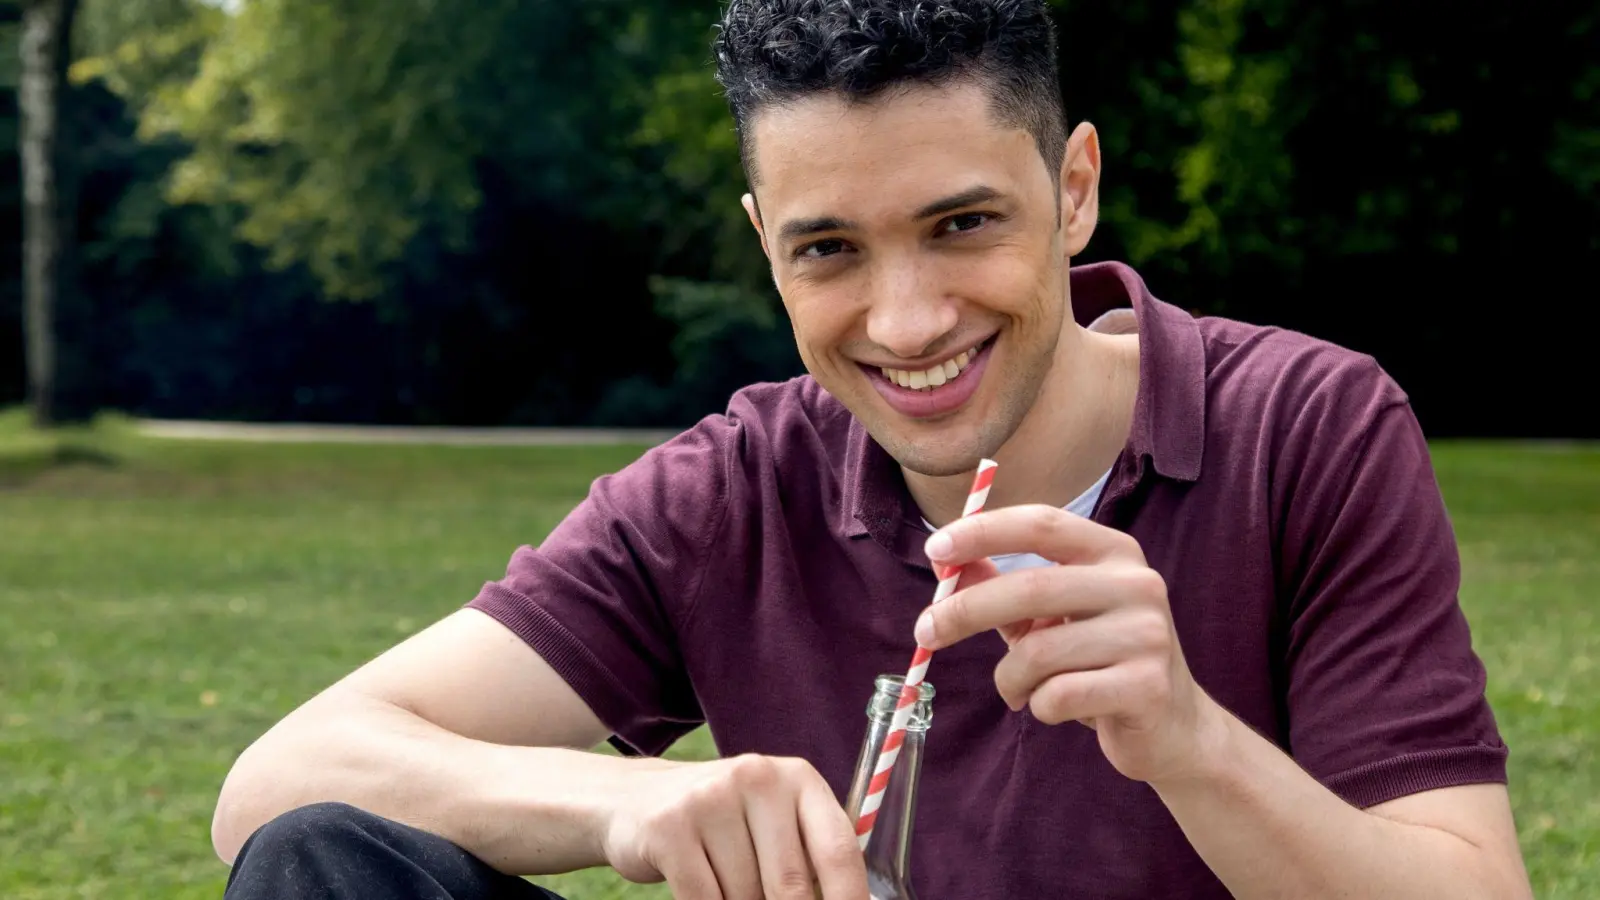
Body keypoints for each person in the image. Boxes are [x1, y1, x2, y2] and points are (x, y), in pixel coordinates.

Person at [211, 1, 1535, 898]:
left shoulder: (1306, 429)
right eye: (829, 248)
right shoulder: (734, 488)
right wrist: (620, 808)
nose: (906, 324)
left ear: (1073, 188)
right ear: (763, 240)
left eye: (964, 224)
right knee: (328, 862)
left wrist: (1189, 740)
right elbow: (279, 782)